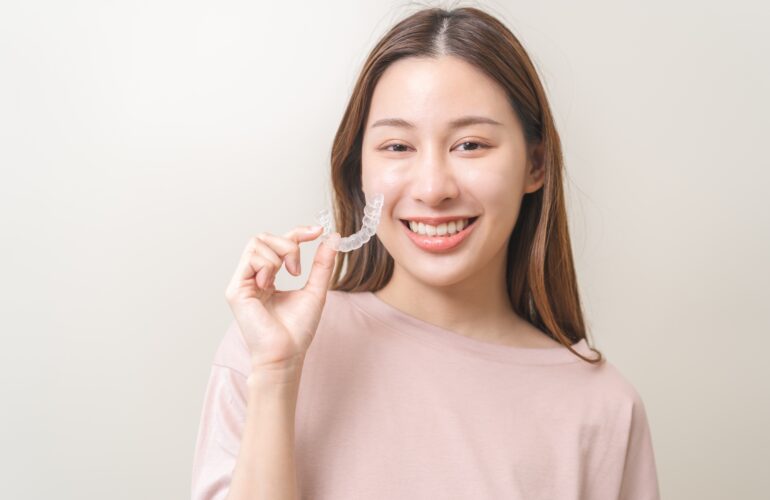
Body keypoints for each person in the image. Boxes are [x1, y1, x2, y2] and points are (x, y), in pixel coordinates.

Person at [191, 6, 661, 500]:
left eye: (470, 145)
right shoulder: (269, 345)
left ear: (535, 165)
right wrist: (276, 373)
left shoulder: (604, 409)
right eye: (398, 147)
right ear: (358, 171)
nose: (433, 189)